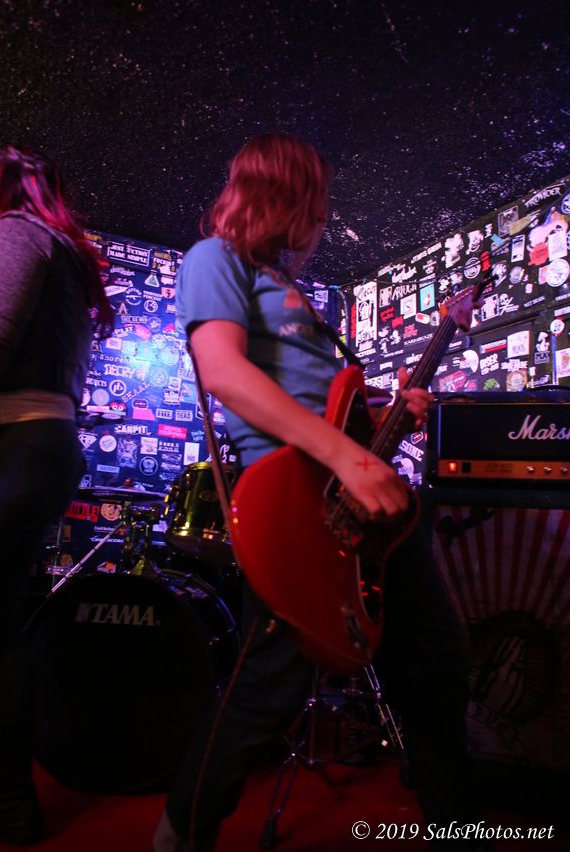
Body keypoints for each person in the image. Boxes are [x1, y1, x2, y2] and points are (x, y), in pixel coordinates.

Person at [153, 133, 483, 851]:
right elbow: (223, 372)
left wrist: (386, 418)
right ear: (286, 192)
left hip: (364, 504)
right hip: (297, 504)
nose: (324, 218)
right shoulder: (215, 259)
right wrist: (347, 458)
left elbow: (330, 407)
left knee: (437, 665)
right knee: (266, 688)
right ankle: (181, 834)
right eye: (319, 200)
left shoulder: (290, 289)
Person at [0, 146, 114, 844]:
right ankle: (9, 801)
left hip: (9, 448)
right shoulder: (68, 259)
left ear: (0, 186)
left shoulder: (13, 231)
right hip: (43, 449)